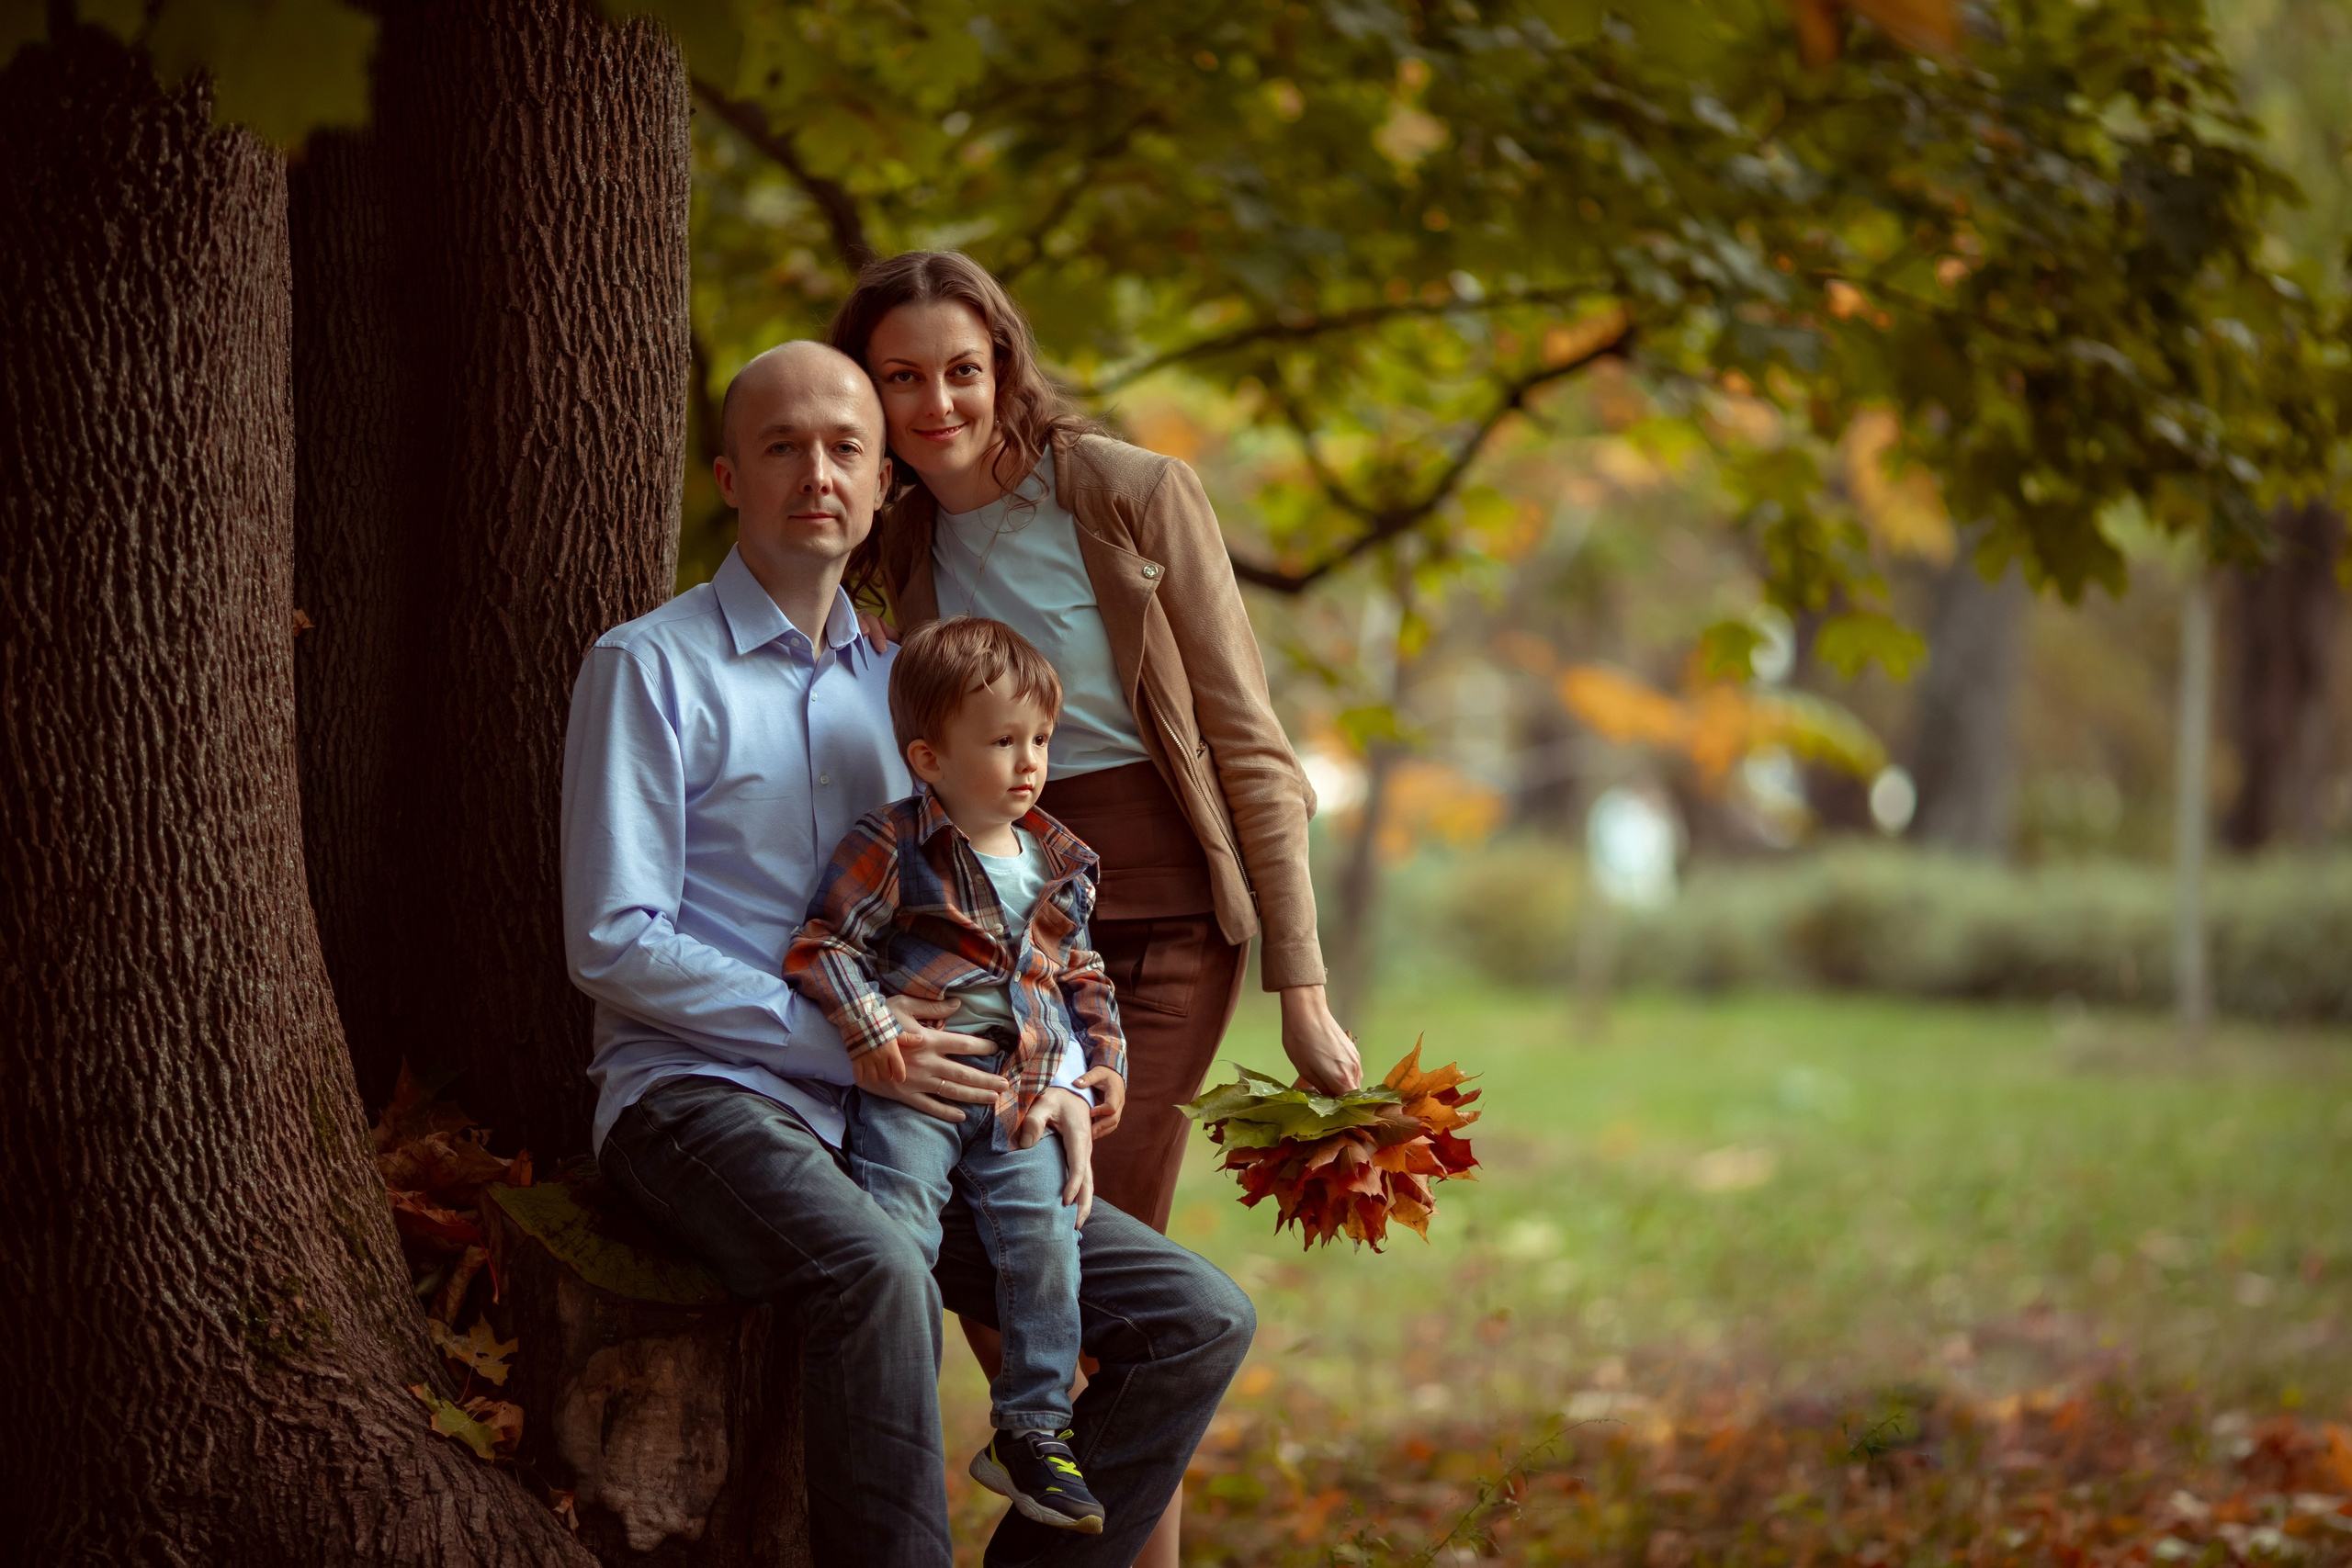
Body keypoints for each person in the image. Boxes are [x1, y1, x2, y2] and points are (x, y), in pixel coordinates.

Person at [560, 339, 1252, 1568]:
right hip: (700, 1097)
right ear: (730, 474)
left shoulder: (911, 696)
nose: (816, 473)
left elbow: (991, 916)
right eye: (783, 446)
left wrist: (1053, 1070)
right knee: (878, 1270)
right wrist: (844, 1036)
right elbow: (613, 938)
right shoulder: (649, 666)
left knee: (1196, 1315)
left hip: (921, 1109)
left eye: (846, 448)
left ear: (887, 487)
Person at [828, 250, 1361, 1563]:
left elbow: (1252, 747)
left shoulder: (1129, 493)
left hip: (1165, 924)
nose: (939, 399)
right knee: (1014, 1313)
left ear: (1005, 362)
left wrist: (1305, 987)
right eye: (902, 377)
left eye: (964, 367)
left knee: (1089, 1270)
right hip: (994, 932)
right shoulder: (892, 541)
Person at [786, 615, 1129, 1534]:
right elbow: (823, 947)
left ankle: (1030, 1430)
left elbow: (1081, 972)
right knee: (895, 1246)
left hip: (1017, 1099)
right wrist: (871, 1033)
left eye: (1041, 740)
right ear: (928, 758)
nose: (1029, 763)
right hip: (921, 1090)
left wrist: (1102, 1064)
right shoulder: (894, 843)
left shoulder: (1058, 860)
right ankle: (890, 1430)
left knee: (1047, 1241)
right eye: (1003, 741)